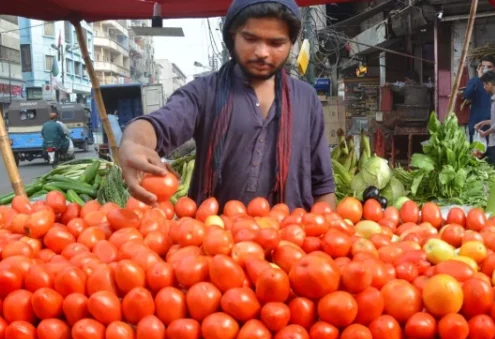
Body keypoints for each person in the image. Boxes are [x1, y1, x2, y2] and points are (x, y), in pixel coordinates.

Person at [118, 0, 336, 210]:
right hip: (216, 239)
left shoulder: (306, 99)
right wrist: (133, 141)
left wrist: (323, 234)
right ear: (232, 37)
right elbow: (158, 125)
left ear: (290, 43)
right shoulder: (203, 92)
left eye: (276, 43)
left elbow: (323, 184)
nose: (262, 52)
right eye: (250, 39)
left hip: (291, 241)